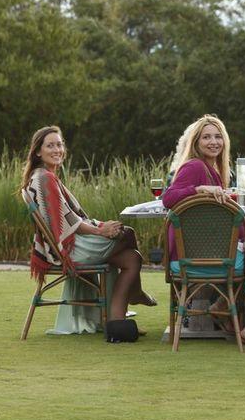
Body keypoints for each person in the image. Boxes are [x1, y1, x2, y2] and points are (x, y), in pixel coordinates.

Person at [22, 125, 155, 335]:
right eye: (50, 146)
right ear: (38, 151)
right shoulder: (44, 179)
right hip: (68, 250)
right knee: (127, 233)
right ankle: (135, 293)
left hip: (71, 245)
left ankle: (116, 323)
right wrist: (101, 231)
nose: (57, 149)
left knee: (132, 259)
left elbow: (70, 218)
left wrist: (100, 226)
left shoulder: (45, 176)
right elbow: (66, 223)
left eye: (59, 144)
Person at [161, 114, 245, 343]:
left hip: (203, 253)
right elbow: (168, 198)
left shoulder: (215, 171)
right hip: (192, 257)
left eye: (218, 136)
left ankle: (223, 305)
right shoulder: (194, 167)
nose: (213, 142)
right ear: (196, 142)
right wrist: (199, 189)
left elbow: (228, 221)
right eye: (206, 137)